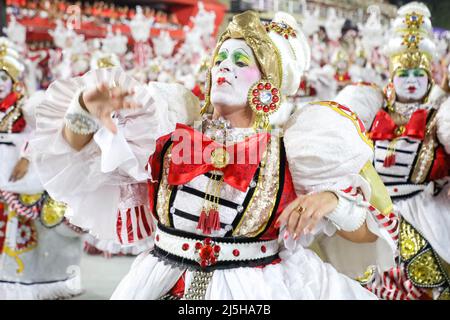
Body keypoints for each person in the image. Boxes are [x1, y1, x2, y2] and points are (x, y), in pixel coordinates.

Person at [32, 11, 397, 300]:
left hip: (261, 289)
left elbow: (365, 236)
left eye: (240, 60)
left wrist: (333, 199)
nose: (223, 65)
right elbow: (76, 159)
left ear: (266, 84)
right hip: (159, 283)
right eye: (220, 57)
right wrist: (83, 110)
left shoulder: (293, 149)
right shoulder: (167, 129)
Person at [335, 2, 449, 300]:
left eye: (418, 74)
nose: (411, 81)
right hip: (373, 214)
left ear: (429, 76)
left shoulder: (440, 114)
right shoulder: (371, 108)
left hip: (422, 216)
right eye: (404, 73)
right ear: (391, 76)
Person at [0, 37, 83, 299]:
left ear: (14, 82)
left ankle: (30, 282)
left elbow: (44, 134)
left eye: (3, 78)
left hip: (22, 180)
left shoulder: (27, 108)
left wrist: (25, 157)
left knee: (27, 231)